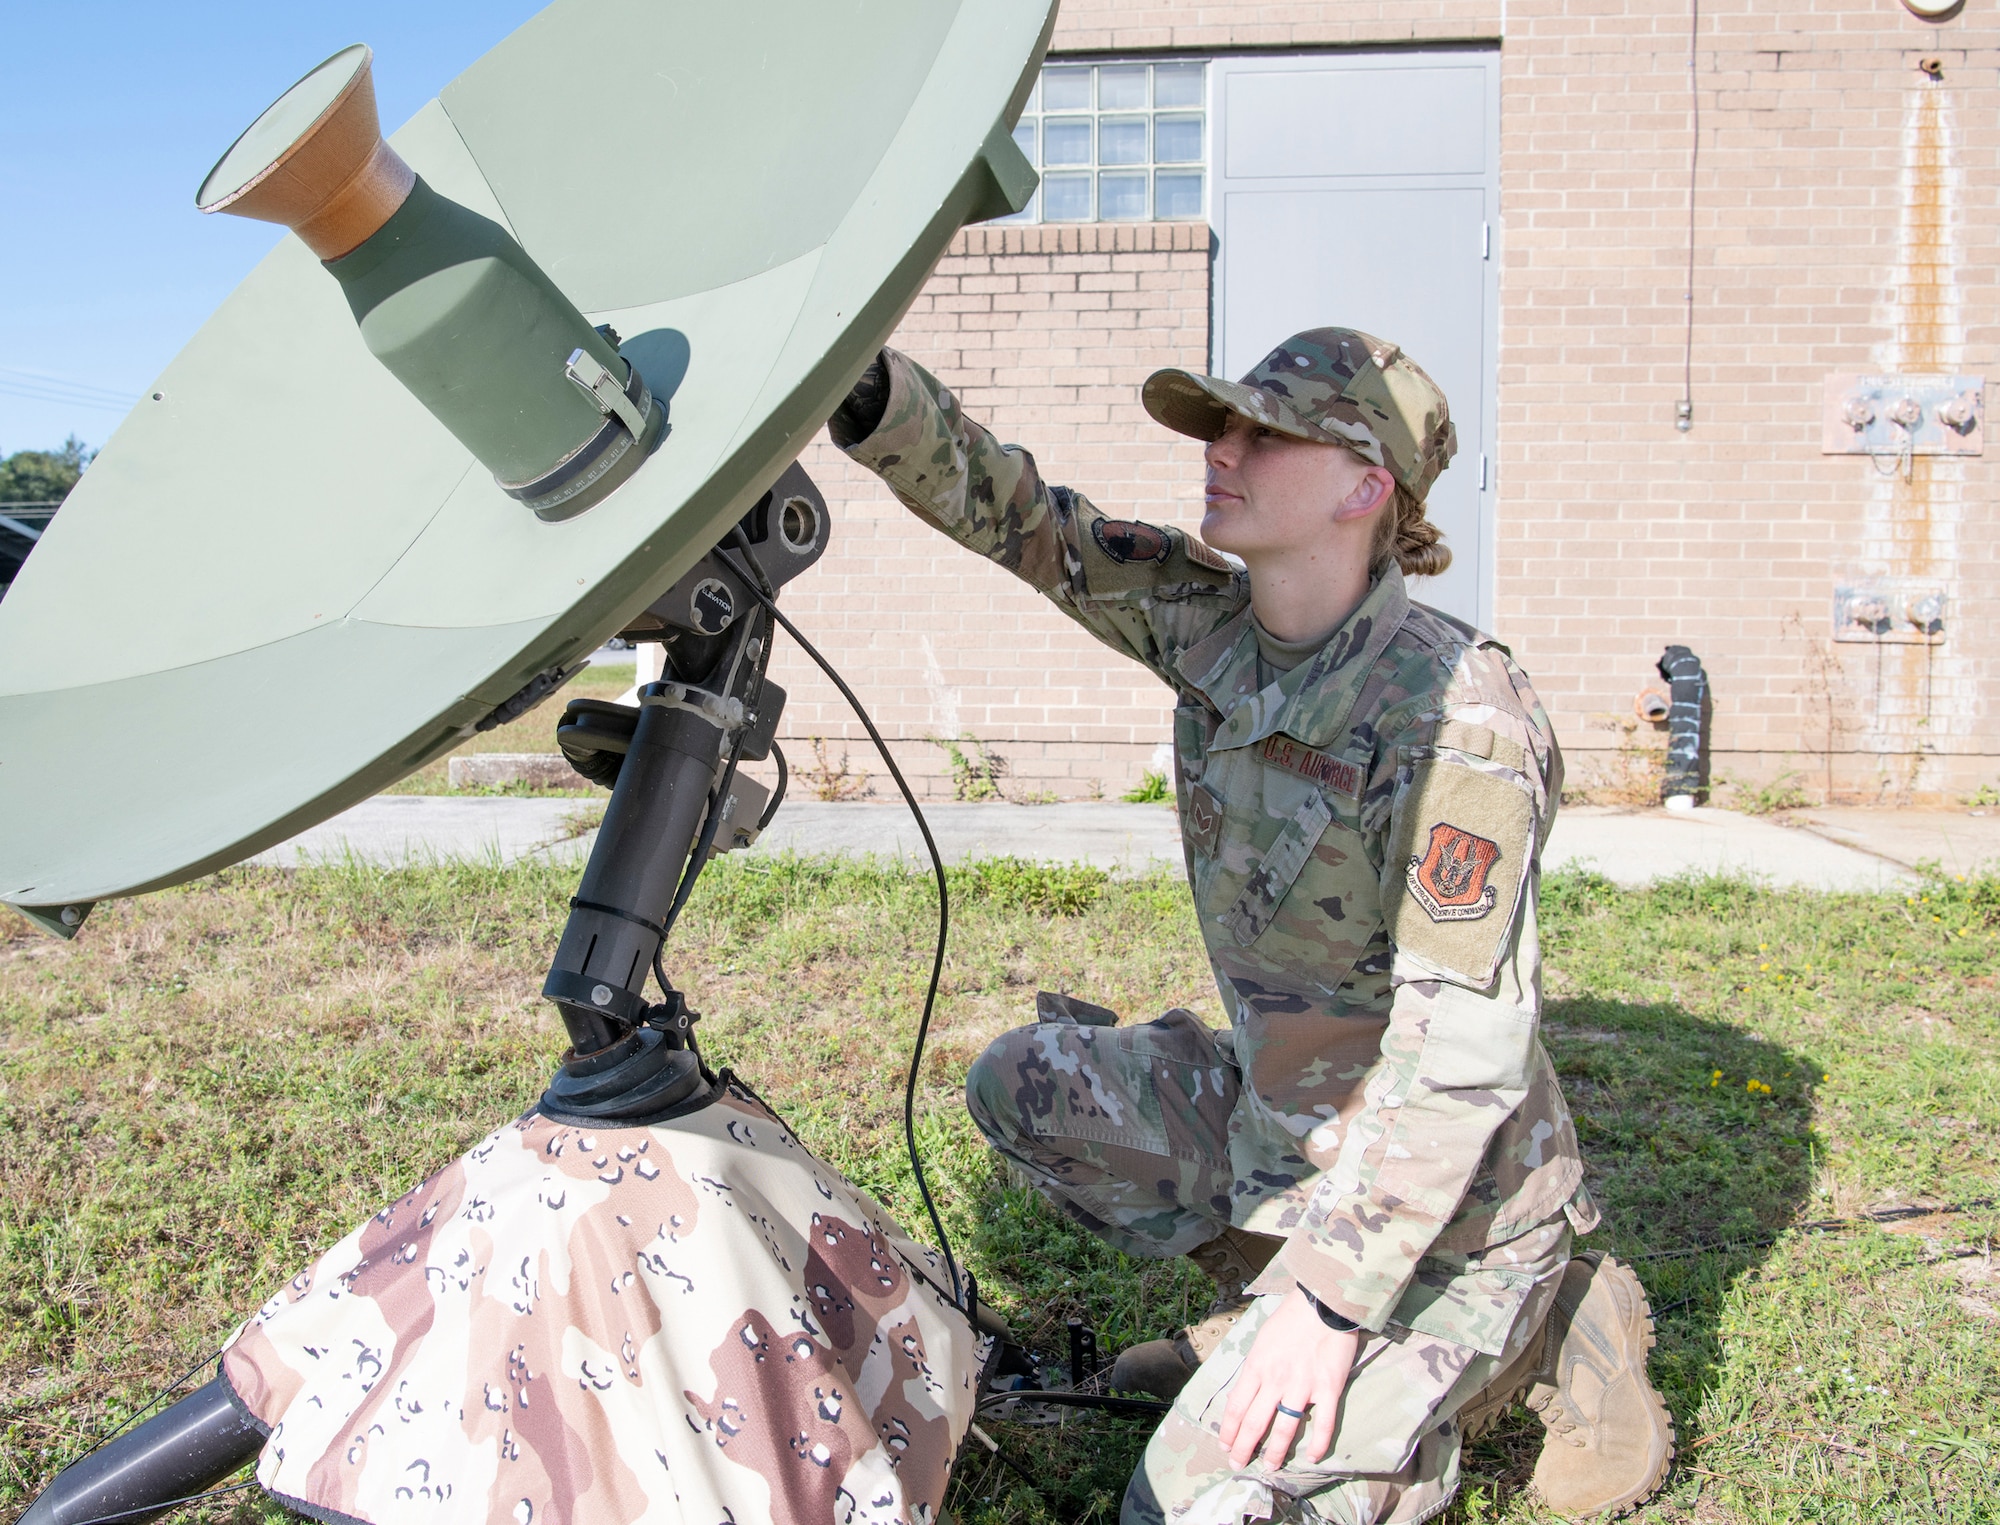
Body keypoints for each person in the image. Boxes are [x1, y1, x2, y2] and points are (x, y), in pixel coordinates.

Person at [827, 329, 1674, 1523]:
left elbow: (1458, 1058)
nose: (1219, 449)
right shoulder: (1208, 622)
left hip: (1455, 1215)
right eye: (1220, 424)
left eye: (1263, 433)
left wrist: (1328, 1312)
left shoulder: (1455, 717)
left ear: (1365, 486)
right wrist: (867, 397)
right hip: (1293, 1136)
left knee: (1193, 1508)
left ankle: (1534, 1322)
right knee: (1027, 1085)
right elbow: (1031, 524)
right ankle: (1287, 1310)